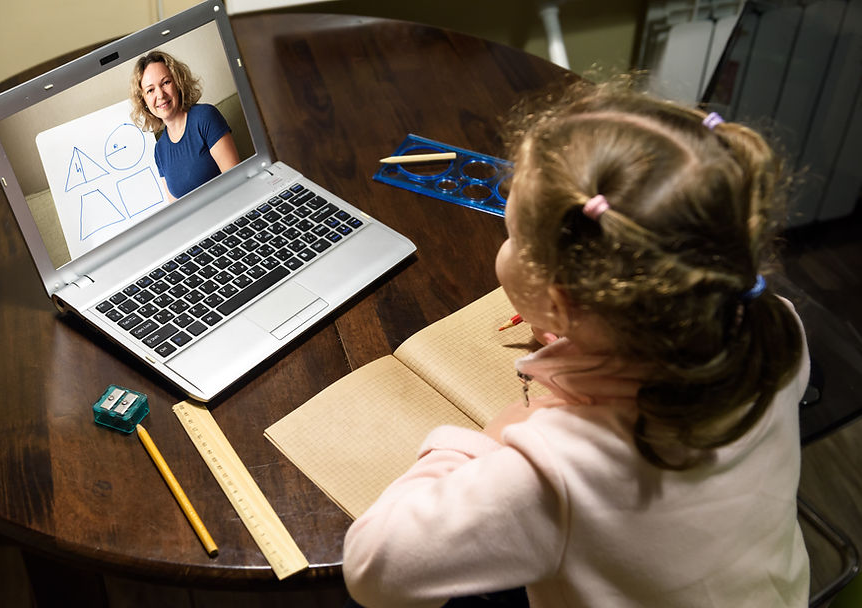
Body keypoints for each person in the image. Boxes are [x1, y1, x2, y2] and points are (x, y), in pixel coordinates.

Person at [342, 81, 810, 608]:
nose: (508, 240)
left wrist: (491, 441)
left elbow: (373, 568)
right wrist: (600, 332)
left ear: (562, 302)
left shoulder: (554, 469)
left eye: (511, 232)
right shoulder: (774, 326)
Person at [129, 50, 240, 201]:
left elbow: (238, 183)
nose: (160, 95)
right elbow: (177, 209)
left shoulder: (205, 117)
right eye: (150, 90)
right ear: (144, 102)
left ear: (178, 83)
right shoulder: (159, 150)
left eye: (166, 82)